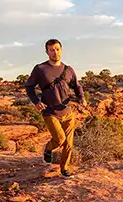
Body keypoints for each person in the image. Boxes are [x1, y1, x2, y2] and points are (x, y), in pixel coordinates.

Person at [25, 39, 86, 177]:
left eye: (57, 49)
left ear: (61, 50)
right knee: (59, 139)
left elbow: (77, 86)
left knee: (69, 144)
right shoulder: (40, 69)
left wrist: (81, 97)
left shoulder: (68, 70)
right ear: (47, 52)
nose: (55, 52)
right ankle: (48, 148)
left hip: (67, 112)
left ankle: (64, 169)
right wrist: (36, 101)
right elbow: (29, 87)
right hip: (50, 112)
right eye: (51, 50)